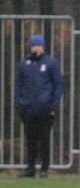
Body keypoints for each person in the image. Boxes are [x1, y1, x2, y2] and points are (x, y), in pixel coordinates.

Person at [14, 34, 63, 178]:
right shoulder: (24, 63)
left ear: (43, 47)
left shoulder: (50, 63)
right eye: (34, 45)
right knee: (30, 139)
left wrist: (54, 103)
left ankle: (44, 168)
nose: (36, 48)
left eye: (39, 45)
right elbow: (18, 83)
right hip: (28, 108)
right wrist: (19, 102)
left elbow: (58, 84)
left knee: (44, 138)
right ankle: (30, 168)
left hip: (45, 108)